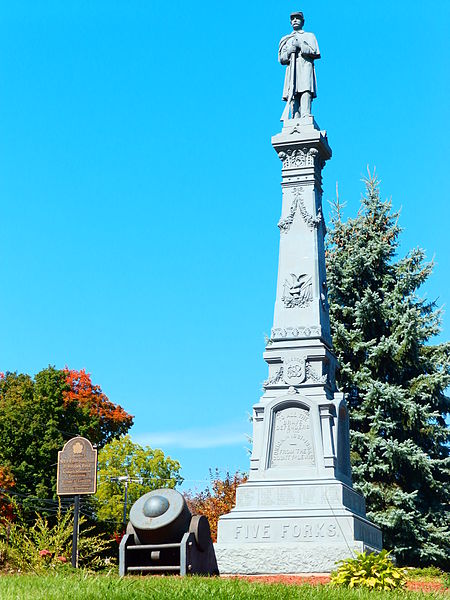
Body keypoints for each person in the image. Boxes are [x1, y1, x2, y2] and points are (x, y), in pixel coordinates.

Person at [279, 12, 320, 121]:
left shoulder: (309, 36)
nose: (295, 20)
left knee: (305, 89)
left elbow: (315, 52)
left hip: (305, 66)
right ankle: (295, 115)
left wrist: (301, 46)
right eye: (293, 19)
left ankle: (306, 113)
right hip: (292, 69)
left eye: (298, 18)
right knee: (293, 92)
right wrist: (289, 52)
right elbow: (281, 59)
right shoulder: (286, 39)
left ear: (303, 21)